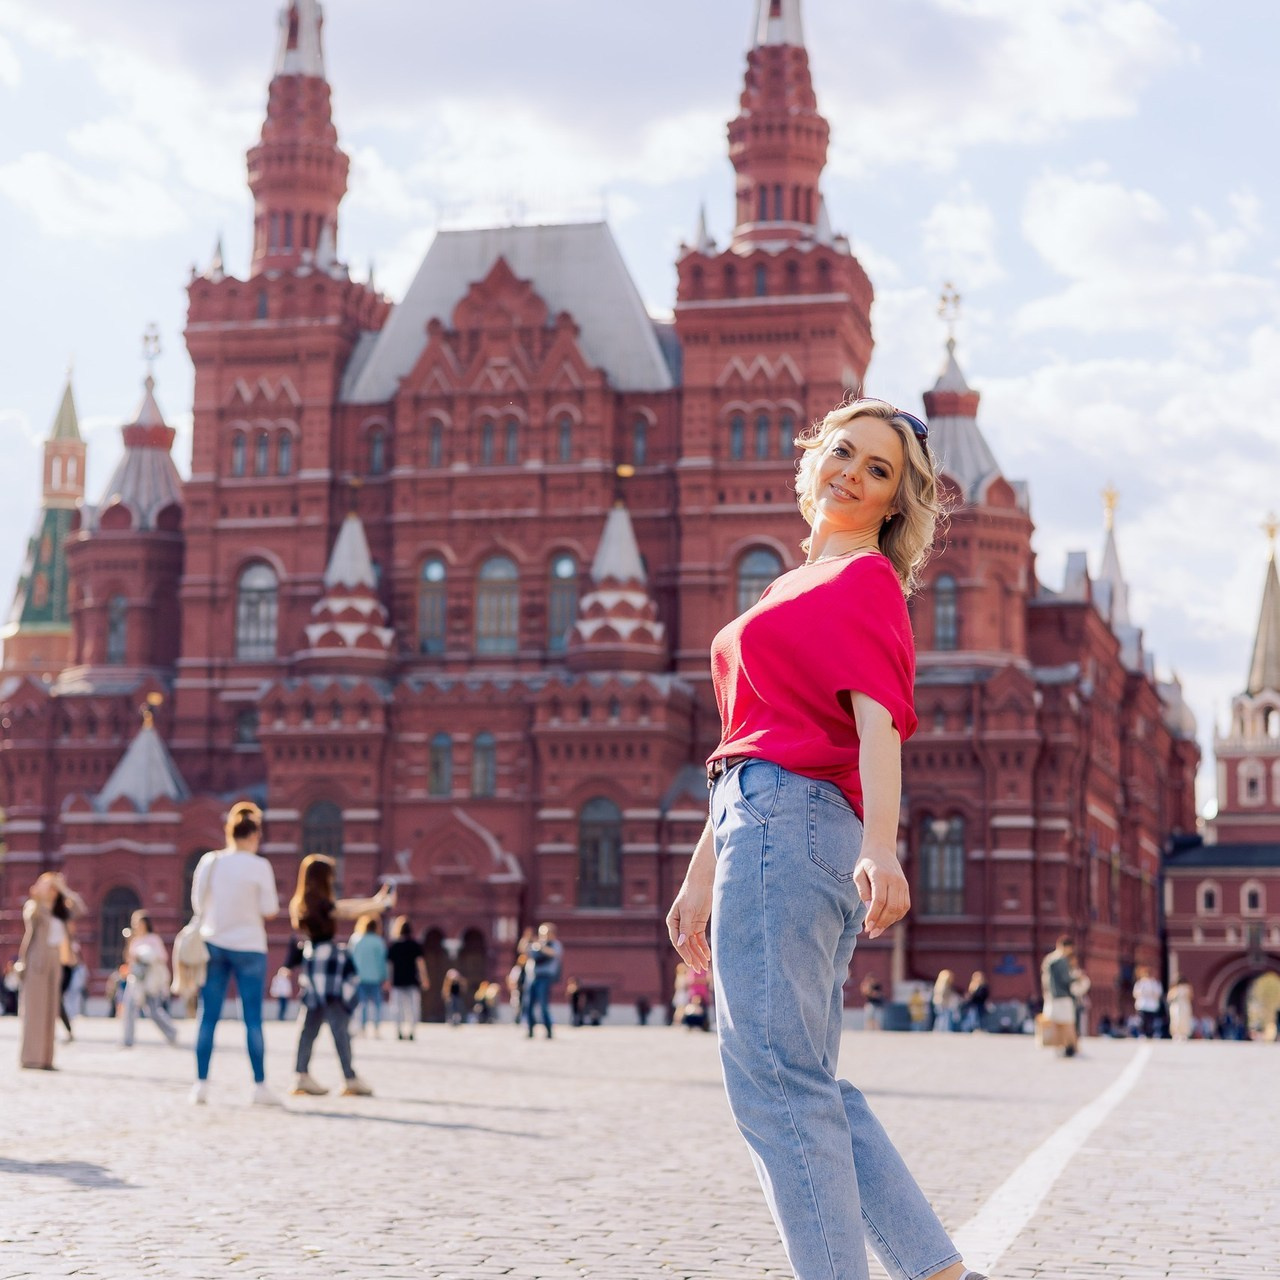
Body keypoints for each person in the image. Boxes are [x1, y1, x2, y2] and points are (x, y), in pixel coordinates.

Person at [666, 398, 986, 1280]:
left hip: (797, 825)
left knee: (775, 1085)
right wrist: (703, 870)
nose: (851, 471)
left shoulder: (866, 581)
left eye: (878, 469)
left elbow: (877, 721)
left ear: (895, 503)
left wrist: (880, 844)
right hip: (762, 822)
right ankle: (938, 1273)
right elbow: (744, 744)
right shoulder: (785, 583)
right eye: (843, 451)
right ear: (814, 459)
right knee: (805, 1081)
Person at [190, 801, 281, 1106]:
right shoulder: (260, 866)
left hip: (214, 943)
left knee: (208, 1016)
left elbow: (197, 904)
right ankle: (259, 1086)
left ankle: (200, 1085)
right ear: (255, 835)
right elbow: (269, 909)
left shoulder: (210, 861)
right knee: (252, 1019)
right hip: (251, 947)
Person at [288, 854, 391, 1097]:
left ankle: (301, 1074)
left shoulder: (303, 903)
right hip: (329, 966)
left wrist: (376, 901)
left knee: (310, 1022)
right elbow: (347, 910)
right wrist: (379, 904)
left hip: (313, 965)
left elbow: (344, 906)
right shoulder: (321, 904)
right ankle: (349, 1077)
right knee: (338, 1022)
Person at [16, 872, 85, 1070]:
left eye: (52, 886)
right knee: (35, 1011)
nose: (51, 889)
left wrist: (64, 889)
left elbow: (80, 908)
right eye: (48, 885)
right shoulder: (34, 907)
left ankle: (46, 1059)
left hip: (56, 960)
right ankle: (30, 1058)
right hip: (37, 959)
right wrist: (39, 894)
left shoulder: (60, 911)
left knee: (50, 1011)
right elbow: (30, 925)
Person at [121, 911, 179, 1047]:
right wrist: (129, 943)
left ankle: (171, 1032)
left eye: (138, 923)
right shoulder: (134, 940)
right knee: (128, 1007)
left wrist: (146, 956)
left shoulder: (153, 939)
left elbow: (162, 957)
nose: (136, 926)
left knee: (153, 1011)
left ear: (145, 924)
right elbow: (128, 959)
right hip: (135, 978)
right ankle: (127, 1040)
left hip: (150, 979)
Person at [386, 916, 427, 1040]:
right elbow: (420, 963)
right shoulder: (415, 945)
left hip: (397, 981)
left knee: (397, 1008)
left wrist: (388, 980)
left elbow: (390, 966)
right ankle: (412, 1031)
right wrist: (424, 978)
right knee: (413, 1008)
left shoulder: (394, 946)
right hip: (412, 981)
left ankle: (398, 1030)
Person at [1040, 936, 1080, 1058]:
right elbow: (1065, 979)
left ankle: (1058, 1047)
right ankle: (1071, 1047)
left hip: (1051, 996)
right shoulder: (1061, 960)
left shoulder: (1049, 959)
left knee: (1056, 1024)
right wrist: (1077, 977)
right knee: (1068, 1023)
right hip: (1063, 996)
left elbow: (1044, 979)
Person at [349, 913, 389, 1037]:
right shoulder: (379, 942)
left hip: (359, 977)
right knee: (377, 1004)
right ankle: (376, 1029)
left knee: (362, 1004)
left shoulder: (356, 939)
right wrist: (385, 977)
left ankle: (362, 1028)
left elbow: (350, 959)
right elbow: (383, 961)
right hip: (375, 977)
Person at [524, 922, 562, 1040]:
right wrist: (526, 940)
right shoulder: (537, 945)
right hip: (532, 977)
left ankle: (548, 1029)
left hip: (544, 977)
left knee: (543, 1005)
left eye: (545, 933)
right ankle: (530, 1029)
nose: (543, 936)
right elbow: (524, 951)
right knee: (528, 1004)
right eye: (541, 933)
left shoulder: (555, 945)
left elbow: (554, 953)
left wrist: (540, 946)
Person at [1133, 966, 1163, 1039]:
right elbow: (1135, 993)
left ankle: (1151, 1034)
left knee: (1151, 1021)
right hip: (1142, 1005)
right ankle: (1142, 1033)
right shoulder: (1140, 983)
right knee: (1142, 1020)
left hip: (1152, 1006)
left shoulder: (1154, 983)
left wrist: (1151, 993)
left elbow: (1158, 994)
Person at [1167, 976, 1193, 1041]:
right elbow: (1169, 998)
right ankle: (1176, 1034)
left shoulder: (1187, 988)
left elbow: (1190, 997)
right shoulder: (1174, 989)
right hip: (1176, 1006)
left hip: (1184, 1006)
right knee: (1176, 1020)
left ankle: (1184, 1034)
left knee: (1184, 1020)